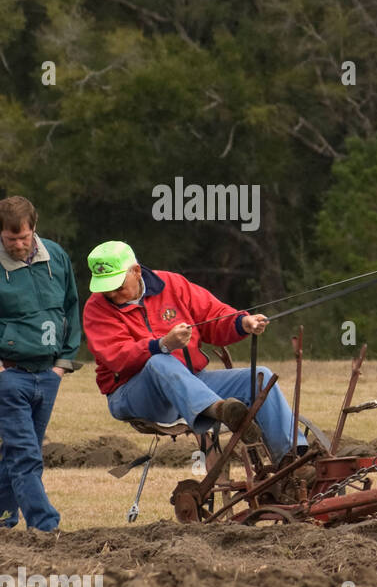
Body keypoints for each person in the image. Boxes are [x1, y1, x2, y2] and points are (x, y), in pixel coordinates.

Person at [81, 241, 306, 466]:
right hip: (133, 394)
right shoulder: (96, 308)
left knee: (261, 378)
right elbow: (118, 356)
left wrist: (242, 322)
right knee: (159, 361)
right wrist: (162, 344)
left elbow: (214, 314)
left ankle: (294, 461)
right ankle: (217, 409)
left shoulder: (172, 284)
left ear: (136, 271)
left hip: (189, 382)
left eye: (118, 286)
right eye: (105, 288)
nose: (112, 294)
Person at [0, 196, 81, 531]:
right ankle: (45, 526)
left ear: (34, 228)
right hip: (9, 375)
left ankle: (3, 518)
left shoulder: (56, 256)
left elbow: (71, 306)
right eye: (10, 239)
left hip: (48, 373)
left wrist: (63, 363)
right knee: (26, 454)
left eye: (24, 237)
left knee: (18, 454)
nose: (19, 245)